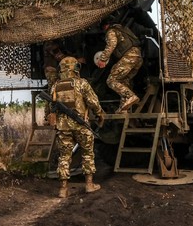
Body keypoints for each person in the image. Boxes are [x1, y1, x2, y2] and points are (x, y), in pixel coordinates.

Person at [51, 56, 105, 198]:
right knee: (87, 153)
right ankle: (89, 184)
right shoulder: (82, 83)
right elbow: (93, 102)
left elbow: (49, 108)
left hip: (63, 127)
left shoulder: (55, 86)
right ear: (76, 68)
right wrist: (100, 114)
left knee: (64, 156)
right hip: (81, 125)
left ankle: (63, 189)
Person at [95, 19, 143, 113]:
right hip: (138, 57)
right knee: (123, 81)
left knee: (111, 80)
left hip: (130, 57)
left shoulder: (111, 31)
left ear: (105, 26)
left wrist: (102, 59)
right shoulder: (122, 29)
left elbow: (112, 44)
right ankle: (124, 108)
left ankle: (130, 96)